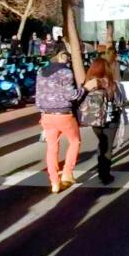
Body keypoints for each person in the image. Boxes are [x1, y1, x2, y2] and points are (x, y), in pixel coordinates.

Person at [35, 48, 97, 193]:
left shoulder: (40, 71)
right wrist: (86, 88)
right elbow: (72, 95)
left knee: (51, 148)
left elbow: (38, 94)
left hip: (46, 115)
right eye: (67, 55)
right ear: (60, 55)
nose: (68, 58)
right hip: (64, 114)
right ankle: (67, 173)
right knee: (75, 142)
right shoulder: (65, 72)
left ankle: (54, 182)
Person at [82, 58, 128, 184]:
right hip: (111, 120)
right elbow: (120, 102)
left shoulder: (89, 83)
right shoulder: (112, 84)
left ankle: (101, 170)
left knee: (102, 143)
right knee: (107, 147)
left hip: (95, 119)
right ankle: (104, 174)